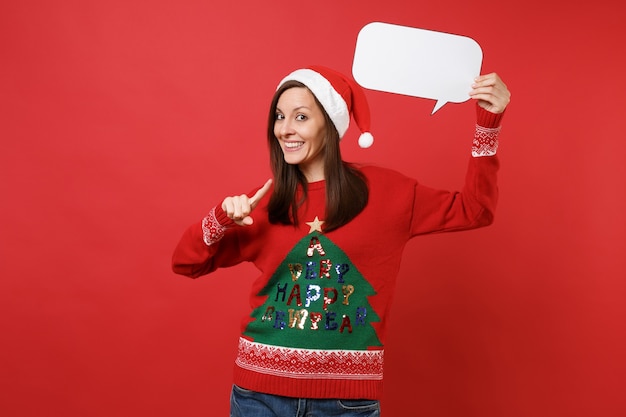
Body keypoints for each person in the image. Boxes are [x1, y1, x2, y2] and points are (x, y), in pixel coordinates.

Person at [172, 65, 511, 417]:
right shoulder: (264, 203)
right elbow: (185, 262)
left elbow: (475, 210)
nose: (285, 129)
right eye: (279, 116)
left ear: (330, 125)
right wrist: (221, 218)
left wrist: (488, 124)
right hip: (258, 396)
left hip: (346, 404)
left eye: (300, 117)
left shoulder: (389, 192)